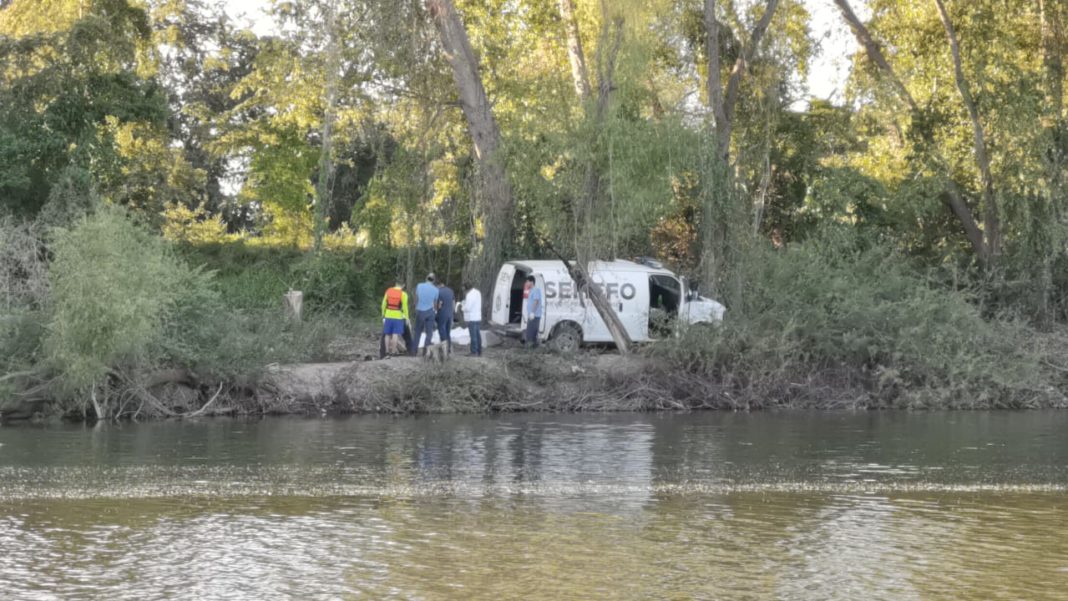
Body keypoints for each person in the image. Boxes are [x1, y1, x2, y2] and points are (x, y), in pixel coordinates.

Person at [411, 273, 439, 357]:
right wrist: (435, 312)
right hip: (430, 312)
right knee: (429, 332)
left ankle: (414, 351)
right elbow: (435, 303)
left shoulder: (419, 286)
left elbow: (416, 298)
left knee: (418, 332)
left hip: (420, 310)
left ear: (426, 278)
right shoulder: (436, 290)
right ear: (434, 280)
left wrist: (415, 307)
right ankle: (426, 352)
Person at [380, 279, 409, 357]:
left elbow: (383, 304)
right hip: (398, 316)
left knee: (387, 334)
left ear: (396, 284)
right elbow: (405, 307)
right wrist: (407, 317)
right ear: (403, 285)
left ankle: (387, 352)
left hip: (388, 315)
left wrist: (383, 314)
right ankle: (393, 352)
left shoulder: (388, 291)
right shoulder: (403, 294)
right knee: (395, 334)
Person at [435, 279, 456, 356]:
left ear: (438, 285)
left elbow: (439, 305)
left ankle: (444, 349)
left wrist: (436, 310)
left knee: (442, 331)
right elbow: (453, 303)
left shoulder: (438, 292)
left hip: (442, 314)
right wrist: (453, 313)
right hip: (450, 314)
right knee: (448, 332)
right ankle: (449, 349)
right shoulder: (450, 291)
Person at [462, 282, 482, 356]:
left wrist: (462, 307)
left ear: (466, 288)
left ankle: (474, 352)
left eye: (464, 289)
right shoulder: (477, 292)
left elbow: (468, 308)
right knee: (477, 335)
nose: (464, 291)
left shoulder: (469, 295)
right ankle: (479, 350)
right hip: (478, 317)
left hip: (472, 317)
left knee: (473, 335)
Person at [524, 275, 542, 348]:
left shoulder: (536, 290)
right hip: (531, 316)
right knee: (529, 332)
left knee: (531, 333)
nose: (526, 283)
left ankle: (531, 347)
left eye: (527, 282)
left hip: (534, 316)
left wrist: (532, 313)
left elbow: (536, 301)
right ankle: (531, 347)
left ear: (531, 282)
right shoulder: (531, 290)